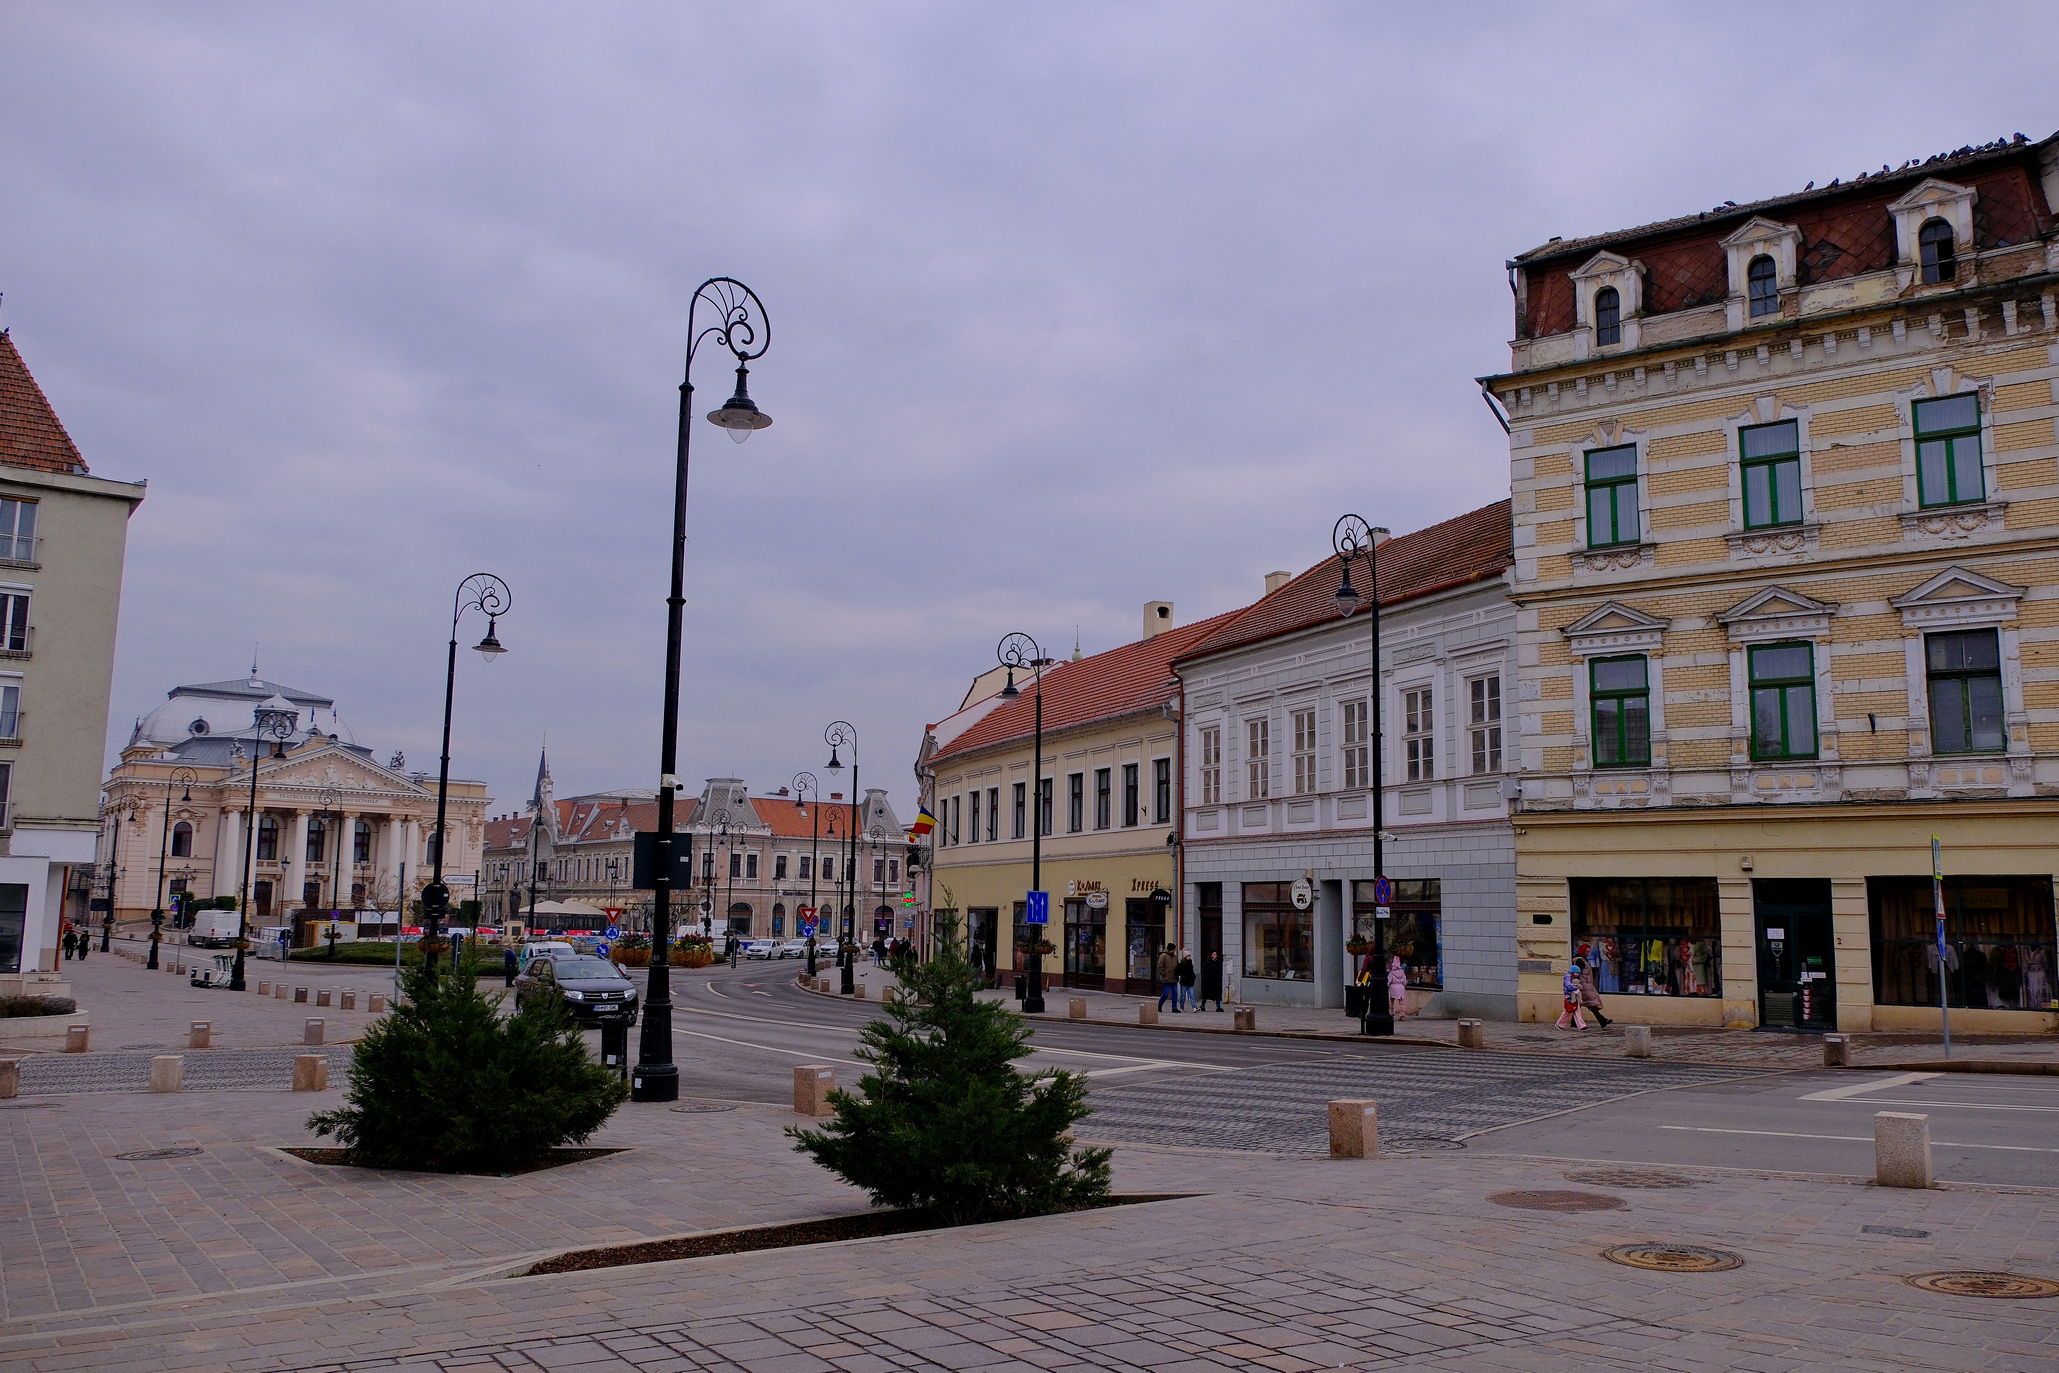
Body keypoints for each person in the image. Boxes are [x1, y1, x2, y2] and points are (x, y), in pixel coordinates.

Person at [1577, 957, 1613, 1028]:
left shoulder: (1585, 960)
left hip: (1586, 986)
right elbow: (1578, 975)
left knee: (1578, 1006)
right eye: (1587, 951)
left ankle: (1573, 1022)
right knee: (1591, 1005)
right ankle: (1602, 1020)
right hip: (1584, 987)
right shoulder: (1579, 960)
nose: (1588, 953)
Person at [1556, 958, 1589, 1030]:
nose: (1578, 974)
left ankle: (1560, 1024)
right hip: (1570, 995)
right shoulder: (1568, 977)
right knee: (1570, 1010)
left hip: (1572, 995)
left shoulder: (1572, 977)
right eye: (1577, 973)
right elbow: (1568, 985)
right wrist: (1576, 987)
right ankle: (1581, 1025)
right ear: (1573, 972)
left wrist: (1578, 986)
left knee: (1572, 1010)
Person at [1155, 942, 1179, 1012]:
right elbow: (1159, 966)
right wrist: (1163, 974)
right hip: (1166, 978)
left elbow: (1177, 965)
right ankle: (1160, 1005)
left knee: (1175, 993)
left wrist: (1178, 971)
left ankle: (1174, 1008)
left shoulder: (1175, 957)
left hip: (1174, 978)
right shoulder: (1163, 956)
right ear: (1171, 949)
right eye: (1174, 949)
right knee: (1166, 993)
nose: (1174, 951)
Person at [1386, 954, 1408, 1022]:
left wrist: (1387, 985)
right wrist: (1403, 985)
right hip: (1401, 988)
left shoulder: (1391, 973)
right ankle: (1402, 1014)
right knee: (1401, 1002)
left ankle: (1391, 1013)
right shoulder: (1402, 972)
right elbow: (1405, 981)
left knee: (1391, 1001)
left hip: (1393, 988)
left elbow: (1389, 981)